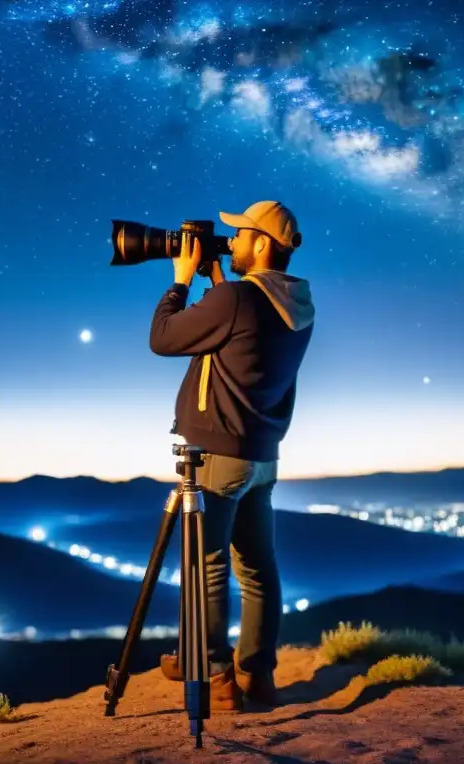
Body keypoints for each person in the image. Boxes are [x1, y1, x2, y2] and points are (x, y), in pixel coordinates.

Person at [148, 200, 316, 711]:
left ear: (262, 244)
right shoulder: (297, 306)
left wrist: (180, 280)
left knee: (209, 566)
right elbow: (244, 334)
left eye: (240, 234)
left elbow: (164, 338)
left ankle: (217, 678)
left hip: (218, 456)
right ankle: (257, 676)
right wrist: (222, 280)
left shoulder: (239, 300)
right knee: (258, 568)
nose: (232, 241)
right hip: (261, 458)